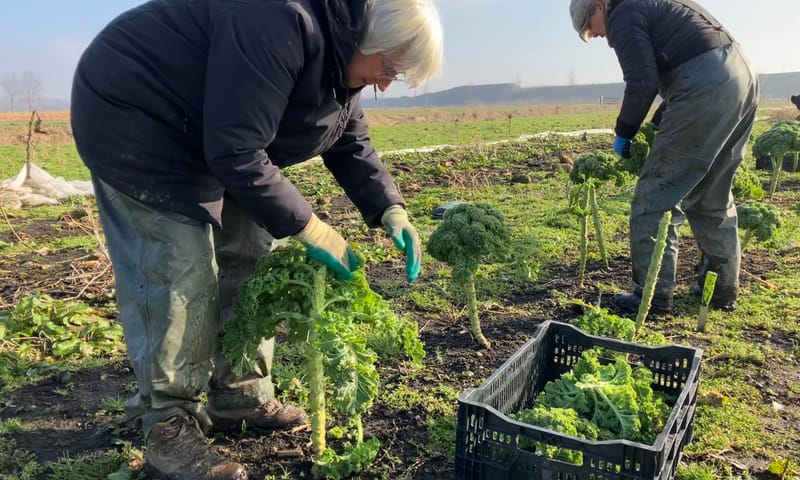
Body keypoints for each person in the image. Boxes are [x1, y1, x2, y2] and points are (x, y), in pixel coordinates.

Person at [70, 0, 443, 478]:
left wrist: (391, 207)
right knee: (178, 271)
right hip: (139, 117)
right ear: (366, 37)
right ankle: (168, 424)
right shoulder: (279, 21)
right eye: (389, 68)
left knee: (254, 249)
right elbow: (236, 149)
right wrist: (311, 227)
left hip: (216, 133)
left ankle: (239, 395)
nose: (386, 83)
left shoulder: (341, 55)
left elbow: (348, 138)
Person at [568, 0, 758, 314]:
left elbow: (643, 82)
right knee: (712, 196)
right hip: (740, 77)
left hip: (706, 86)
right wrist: (657, 124)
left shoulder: (623, 14)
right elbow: (682, 67)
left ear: (600, 5)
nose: (595, 34)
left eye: (590, 25)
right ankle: (721, 291)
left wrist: (625, 131)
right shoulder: (654, 4)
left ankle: (651, 296)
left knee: (654, 198)